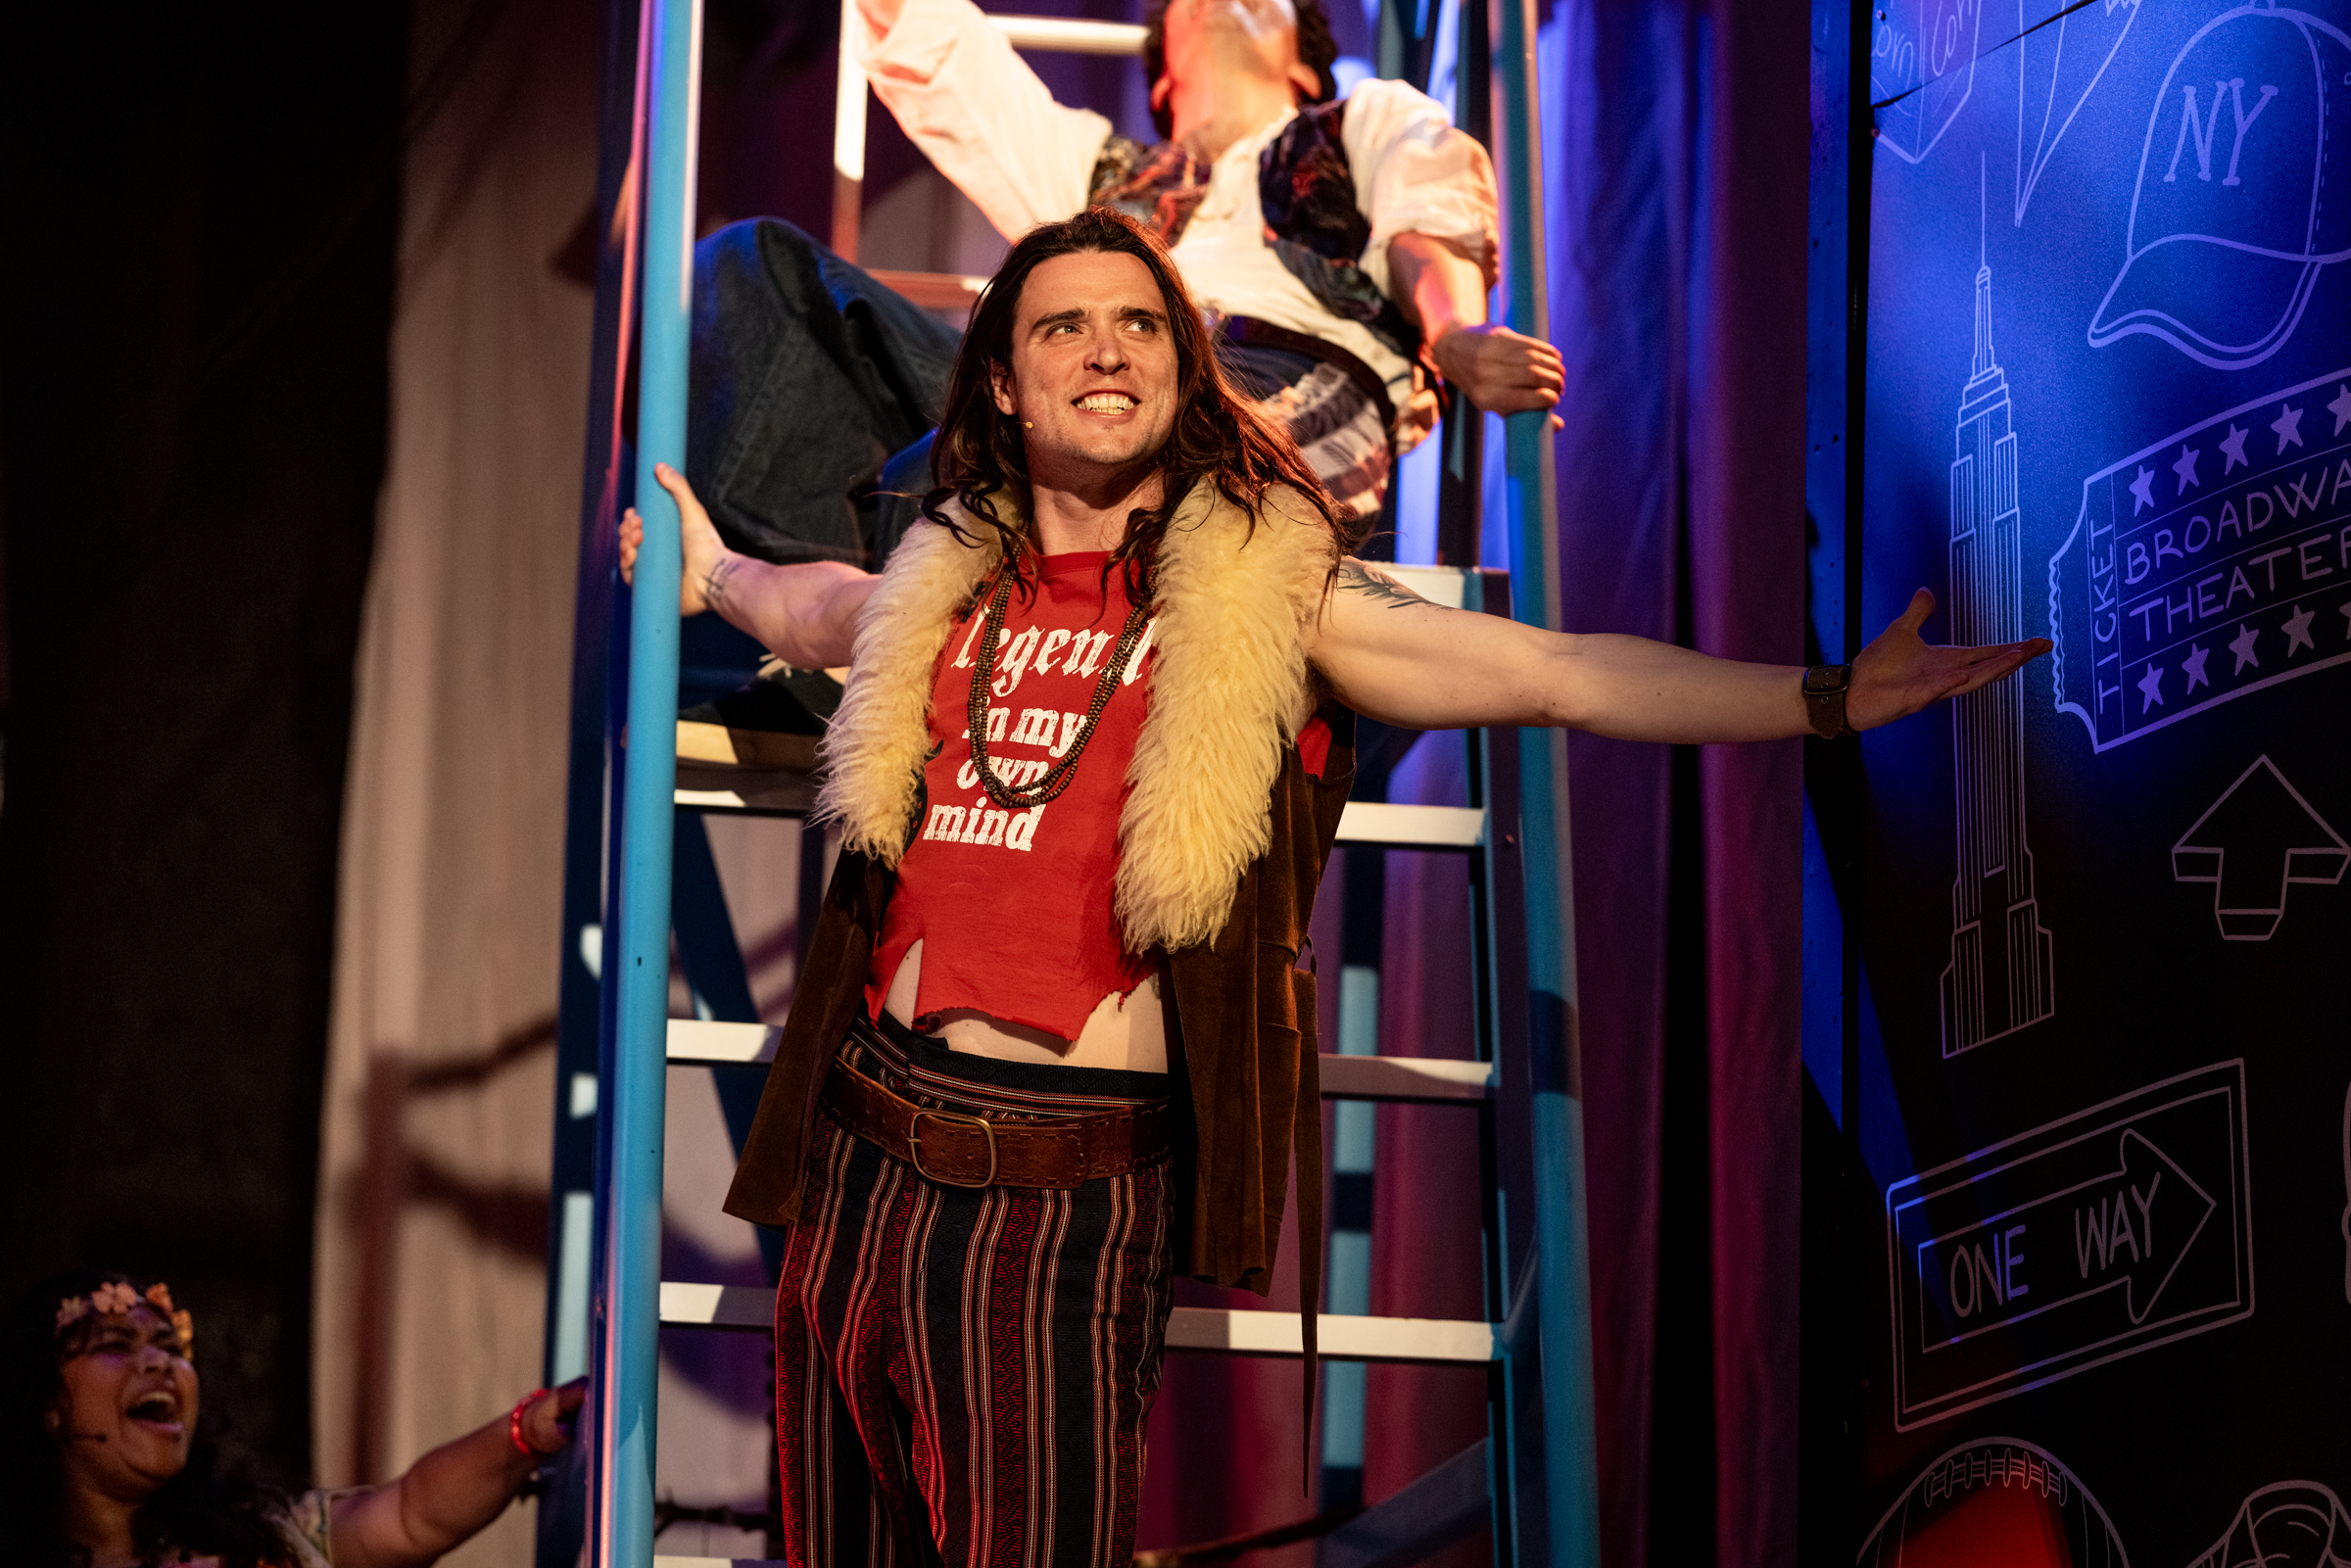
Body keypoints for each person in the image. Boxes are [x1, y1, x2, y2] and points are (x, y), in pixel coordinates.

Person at [620, 208, 2046, 1565]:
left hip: (1057, 1198)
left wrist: (1824, 697)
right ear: (1002, 382)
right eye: (1064, 327)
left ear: (1184, 372)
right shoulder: (943, 583)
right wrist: (713, 572)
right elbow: (813, 603)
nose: (1107, 349)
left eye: (1140, 324)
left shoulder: (1268, 593)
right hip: (863, 1163)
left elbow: (1557, 675)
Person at [685, 0, 1557, 577]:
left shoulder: (1357, 120)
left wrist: (1458, 336)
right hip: (1080, 388)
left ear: (1305, 64)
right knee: (756, 269)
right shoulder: (1100, 177)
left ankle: (844, 621)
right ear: (1164, 73)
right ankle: (830, 610)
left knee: (943, 469)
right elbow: (948, 65)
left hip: (1275, 403)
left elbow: (1424, 211)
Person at [3, 1269, 586, 1568]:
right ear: (47, 1404)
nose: (159, 1363)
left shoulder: (272, 1534)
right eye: (114, 1344)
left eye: (171, 1347)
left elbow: (413, 1514)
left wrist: (526, 1432)